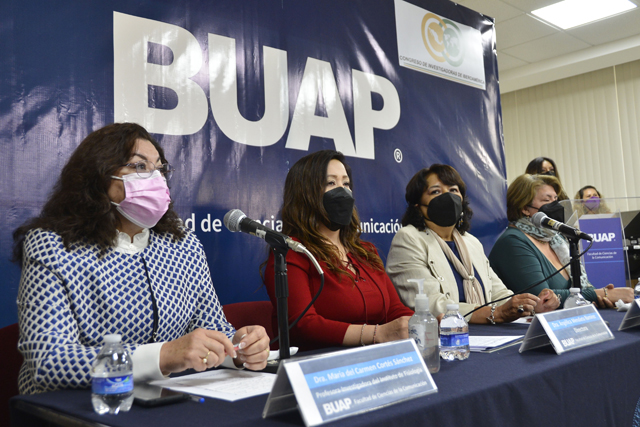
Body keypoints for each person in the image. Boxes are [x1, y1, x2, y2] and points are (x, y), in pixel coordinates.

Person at [12, 123, 269, 395]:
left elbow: (212, 327)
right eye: (139, 166)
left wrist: (238, 349)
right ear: (99, 176)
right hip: (78, 405)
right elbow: (49, 361)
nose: (155, 178)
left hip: (163, 403)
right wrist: (164, 356)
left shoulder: (182, 243)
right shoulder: (52, 245)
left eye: (159, 169)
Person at [263, 150, 414, 351]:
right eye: (331, 183)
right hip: (320, 363)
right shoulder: (290, 253)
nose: (342, 191)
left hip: (375, 358)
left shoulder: (366, 252)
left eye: (346, 183)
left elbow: (395, 310)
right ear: (305, 193)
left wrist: (422, 324)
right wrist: (377, 334)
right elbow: (301, 325)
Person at [386, 165, 559, 324]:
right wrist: (495, 313)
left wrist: (530, 306)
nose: (448, 196)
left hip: (487, 334)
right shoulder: (408, 238)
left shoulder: (470, 241)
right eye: (436, 191)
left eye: (453, 190)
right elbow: (430, 304)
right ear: (417, 206)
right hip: (445, 336)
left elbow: (498, 294)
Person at [489, 174, 633, 308]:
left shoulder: (555, 238)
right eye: (547, 200)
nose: (556, 206)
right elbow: (542, 298)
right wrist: (600, 294)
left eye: (556, 200)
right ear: (525, 208)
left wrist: (600, 297)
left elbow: (581, 289)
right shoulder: (512, 242)